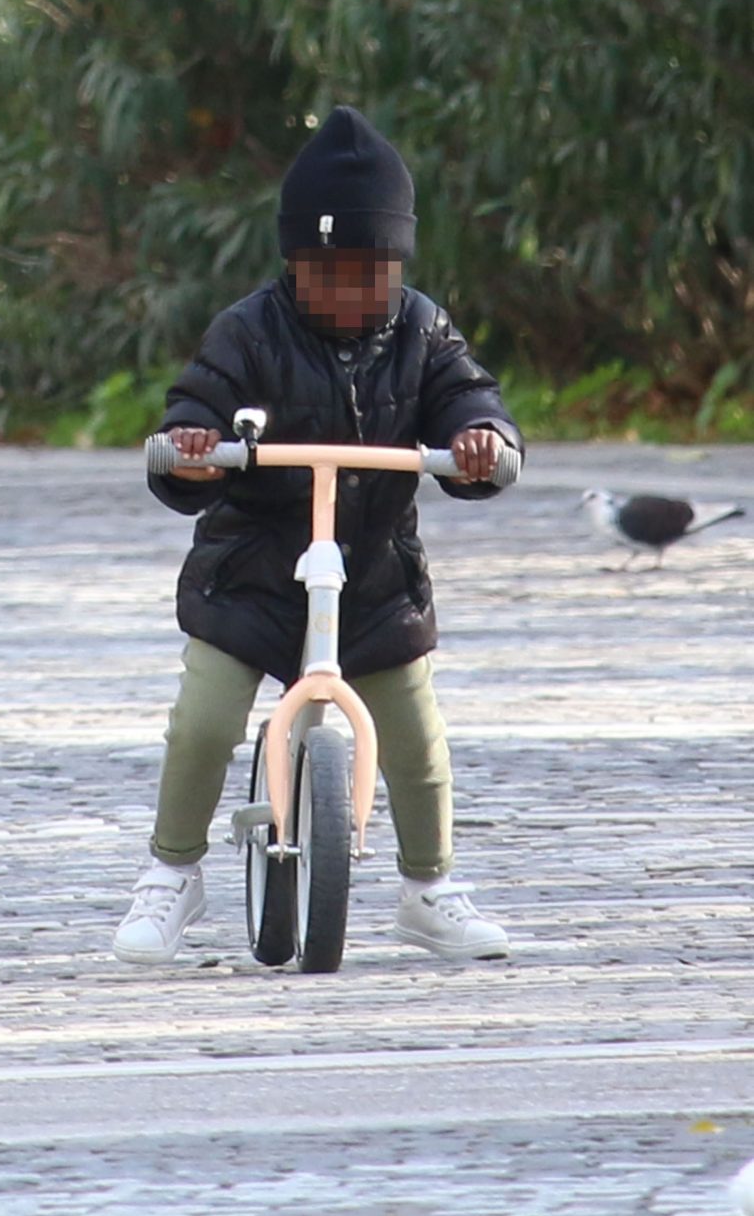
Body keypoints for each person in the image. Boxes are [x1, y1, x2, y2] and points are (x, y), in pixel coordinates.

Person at [113, 105, 523, 966]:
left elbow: (468, 399)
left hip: (371, 576)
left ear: (396, 264)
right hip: (254, 573)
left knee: (417, 742)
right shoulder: (249, 330)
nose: (345, 292)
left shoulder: (421, 330)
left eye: (366, 273)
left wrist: (482, 441)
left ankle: (429, 886)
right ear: (292, 264)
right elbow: (198, 406)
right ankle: (171, 874)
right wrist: (192, 450)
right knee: (202, 721)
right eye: (323, 271)